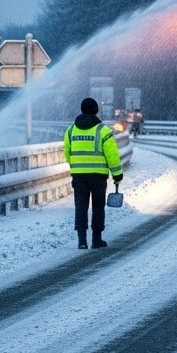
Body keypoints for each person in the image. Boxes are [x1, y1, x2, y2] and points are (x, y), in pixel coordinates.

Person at [63, 97, 122, 249]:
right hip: (98, 176)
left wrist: (77, 166)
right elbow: (112, 155)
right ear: (96, 111)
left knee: (80, 206)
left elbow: (67, 153)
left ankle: (82, 241)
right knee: (98, 207)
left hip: (79, 176)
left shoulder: (71, 130)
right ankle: (96, 240)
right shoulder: (103, 130)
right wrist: (117, 174)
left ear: (81, 110)